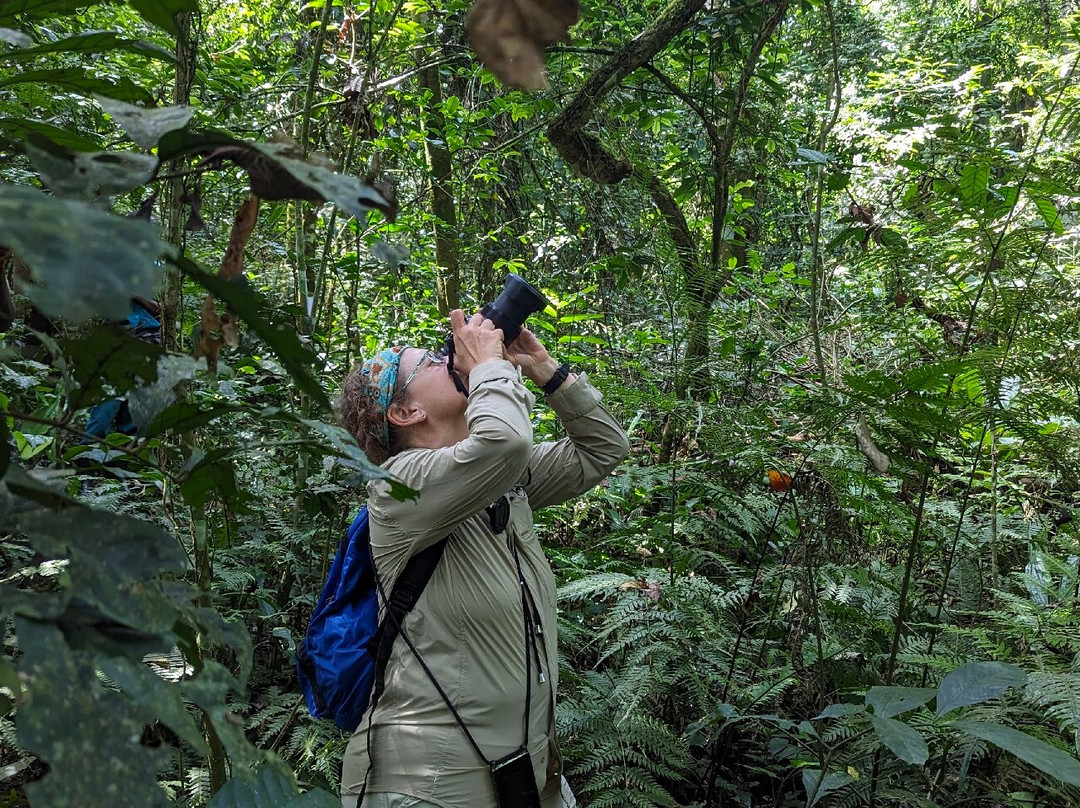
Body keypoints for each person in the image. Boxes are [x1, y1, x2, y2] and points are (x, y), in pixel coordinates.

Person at [337, 309, 629, 808]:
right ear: (405, 413)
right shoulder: (397, 488)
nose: (445, 356)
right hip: (428, 784)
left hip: (527, 770)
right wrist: (488, 364)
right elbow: (506, 441)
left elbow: (603, 450)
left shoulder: (499, 483)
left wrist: (542, 368)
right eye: (427, 362)